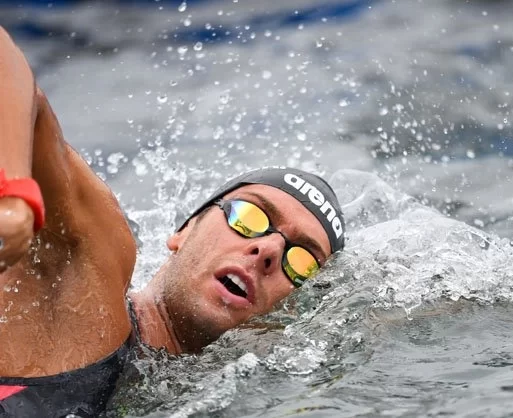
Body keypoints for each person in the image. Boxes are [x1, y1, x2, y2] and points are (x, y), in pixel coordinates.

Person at [0, 26, 346, 417]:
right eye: (250, 217)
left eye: (301, 261)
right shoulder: (86, 277)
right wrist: (15, 192)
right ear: (184, 230)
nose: (267, 248)